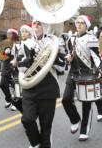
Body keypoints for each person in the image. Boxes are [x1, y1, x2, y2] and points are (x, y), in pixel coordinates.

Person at [21, 19, 65, 148]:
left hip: (48, 88)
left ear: (45, 26)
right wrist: (29, 60)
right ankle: (36, 143)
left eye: (39, 24)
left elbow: (62, 67)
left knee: (46, 129)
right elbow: (19, 67)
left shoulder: (56, 42)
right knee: (27, 120)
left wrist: (51, 56)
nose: (36, 26)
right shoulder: (26, 44)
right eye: (34, 23)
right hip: (30, 87)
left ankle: (44, 144)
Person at [62, 15, 102, 141]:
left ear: (86, 25)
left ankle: (84, 131)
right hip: (73, 73)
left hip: (87, 73)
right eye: (77, 22)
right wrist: (68, 59)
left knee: (86, 102)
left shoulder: (91, 38)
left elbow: (97, 57)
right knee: (65, 99)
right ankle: (75, 119)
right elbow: (69, 55)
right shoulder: (71, 39)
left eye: (82, 23)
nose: (79, 24)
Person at [0, 28, 19, 111]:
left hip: (15, 67)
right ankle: (9, 99)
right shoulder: (4, 43)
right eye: (7, 33)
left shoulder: (18, 44)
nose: (8, 34)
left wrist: (11, 54)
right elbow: (1, 55)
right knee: (2, 84)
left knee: (15, 86)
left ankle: (16, 102)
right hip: (6, 67)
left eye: (10, 33)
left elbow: (19, 55)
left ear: (14, 34)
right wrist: (4, 53)